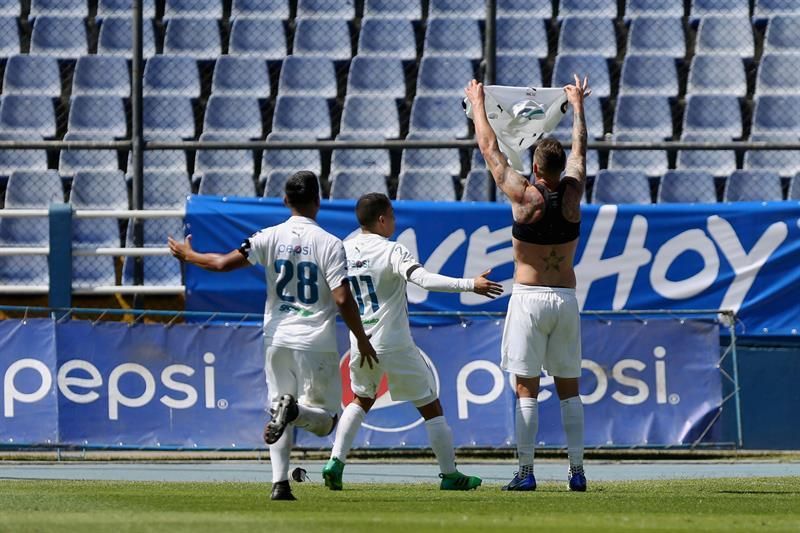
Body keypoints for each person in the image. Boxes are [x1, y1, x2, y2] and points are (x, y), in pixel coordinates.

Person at [168, 170, 378, 501]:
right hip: (315, 342)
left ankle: (279, 483)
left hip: (277, 338)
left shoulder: (268, 236)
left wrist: (189, 255)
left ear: (285, 200)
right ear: (318, 202)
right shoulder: (330, 243)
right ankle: (292, 414)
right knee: (325, 422)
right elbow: (341, 297)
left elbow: (223, 263)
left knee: (277, 406)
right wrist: (362, 339)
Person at [322, 193, 503, 491]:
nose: (394, 220)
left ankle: (335, 462)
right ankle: (450, 475)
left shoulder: (343, 249)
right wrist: (471, 284)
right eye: (391, 215)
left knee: (361, 399)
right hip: (393, 343)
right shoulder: (392, 250)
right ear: (382, 219)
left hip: (360, 341)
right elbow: (425, 280)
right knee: (431, 406)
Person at [464, 74, 592, 492]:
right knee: (569, 388)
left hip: (530, 297)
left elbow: (490, 149)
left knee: (526, 387)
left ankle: (526, 471)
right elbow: (581, 151)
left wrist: (478, 103)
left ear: (535, 167)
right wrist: (578, 107)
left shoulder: (524, 195)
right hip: (565, 297)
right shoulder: (573, 193)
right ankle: (577, 472)